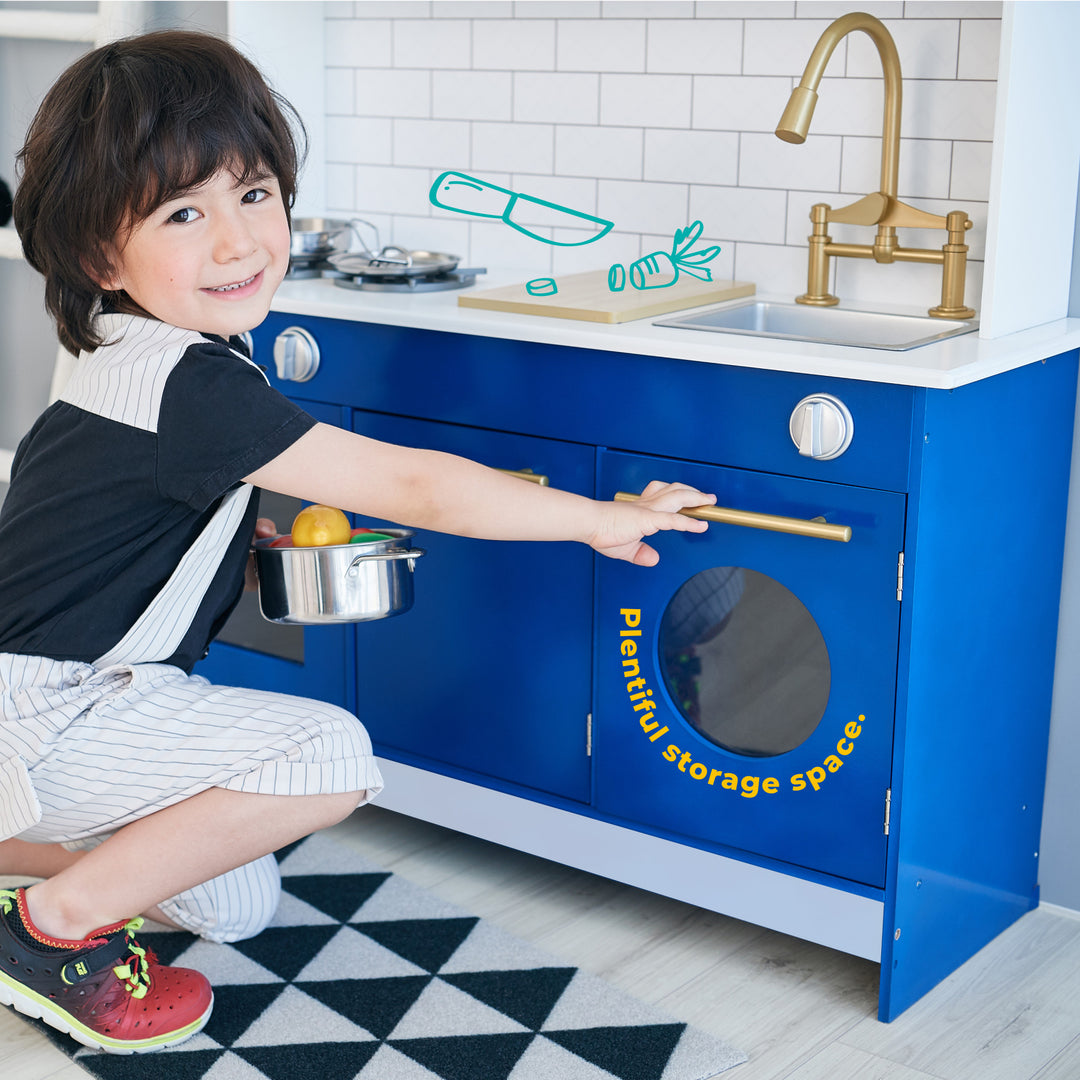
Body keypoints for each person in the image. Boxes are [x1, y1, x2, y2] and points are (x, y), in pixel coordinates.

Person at [0, 30, 715, 1055]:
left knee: (233, 903)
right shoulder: (190, 383)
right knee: (327, 755)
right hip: (53, 713)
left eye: (253, 194)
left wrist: (250, 547)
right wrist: (602, 520)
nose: (239, 241)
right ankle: (49, 933)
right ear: (98, 255)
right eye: (183, 213)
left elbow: (123, 534)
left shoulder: (133, 350)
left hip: (77, 699)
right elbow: (414, 484)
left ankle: (17, 853)